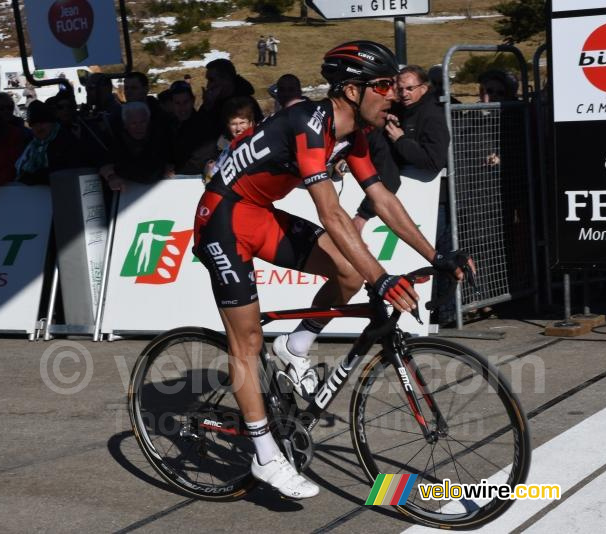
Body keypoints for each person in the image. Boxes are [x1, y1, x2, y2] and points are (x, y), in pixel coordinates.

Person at [191, 41, 465, 499]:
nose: (393, 95)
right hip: (221, 218)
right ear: (352, 92)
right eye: (383, 86)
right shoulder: (307, 123)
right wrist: (383, 277)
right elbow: (332, 214)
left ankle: (296, 345)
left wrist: (435, 257)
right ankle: (264, 456)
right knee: (247, 340)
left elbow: (382, 199)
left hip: (258, 213)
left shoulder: (354, 134)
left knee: (347, 274)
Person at [353, 65, 450, 231]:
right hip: (412, 197)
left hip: (436, 200)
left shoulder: (433, 115)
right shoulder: (402, 110)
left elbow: (434, 161)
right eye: (401, 89)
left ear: (424, 88)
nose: (405, 94)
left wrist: (400, 140)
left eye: (410, 89)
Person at [100, 102, 171, 191]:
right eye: (133, 123)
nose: (139, 127)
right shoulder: (115, 142)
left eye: (143, 122)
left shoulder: (161, 139)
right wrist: (111, 176)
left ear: (148, 122)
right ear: (125, 124)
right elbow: (104, 164)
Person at [199, 58, 262, 138]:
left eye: (212, 80)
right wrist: (206, 107)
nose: (208, 86)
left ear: (226, 79)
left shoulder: (247, 103)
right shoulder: (213, 102)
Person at [169, 80, 220, 176]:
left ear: (193, 101)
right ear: (172, 104)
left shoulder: (204, 125)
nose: (182, 108)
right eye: (177, 103)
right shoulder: (169, 124)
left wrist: (176, 170)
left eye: (185, 102)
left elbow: (201, 162)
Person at [203, 96, 258, 183]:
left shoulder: (257, 145)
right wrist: (209, 171)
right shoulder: (227, 147)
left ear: (250, 123)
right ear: (228, 125)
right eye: (233, 124)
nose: (238, 128)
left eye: (242, 122)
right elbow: (211, 178)